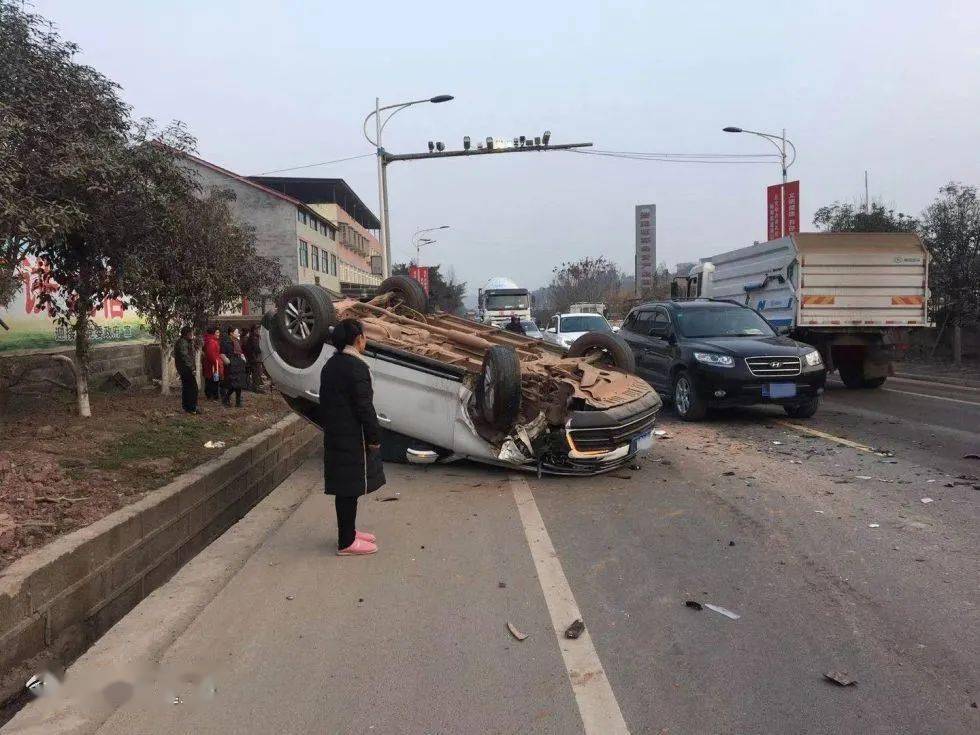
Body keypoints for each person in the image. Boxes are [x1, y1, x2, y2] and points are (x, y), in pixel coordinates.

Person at [320, 318, 384, 556]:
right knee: (349, 488)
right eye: (364, 336)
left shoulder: (331, 364)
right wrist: (373, 436)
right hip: (351, 436)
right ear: (358, 340)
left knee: (347, 488)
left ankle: (350, 532)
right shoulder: (356, 367)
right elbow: (364, 406)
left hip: (337, 433)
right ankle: (346, 542)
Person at [174, 326, 199, 414]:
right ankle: (192, 408)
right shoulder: (183, 342)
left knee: (187, 388)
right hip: (186, 369)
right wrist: (192, 368)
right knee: (193, 388)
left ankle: (187, 407)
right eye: (191, 333)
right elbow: (185, 356)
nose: (192, 335)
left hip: (184, 368)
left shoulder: (185, 341)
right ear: (187, 334)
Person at [220, 327, 247, 407]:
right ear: (231, 333)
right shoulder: (225, 342)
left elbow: (240, 351)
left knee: (239, 383)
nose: (238, 333)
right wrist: (226, 360)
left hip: (238, 363)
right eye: (236, 332)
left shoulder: (237, 341)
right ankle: (226, 398)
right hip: (231, 364)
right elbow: (222, 353)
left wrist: (243, 358)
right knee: (233, 384)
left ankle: (238, 401)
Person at [202, 326, 224, 401]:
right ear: (213, 333)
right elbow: (211, 354)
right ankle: (214, 395)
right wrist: (216, 362)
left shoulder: (210, 340)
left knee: (211, 379)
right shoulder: (212, 341)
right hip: (213, 365)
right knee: (214, 380)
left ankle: (211, 395)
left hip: (211, 364)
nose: (219, 334)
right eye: (217, 332)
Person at [243, 324, 264, 392]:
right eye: (257, 329)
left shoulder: (255, 337)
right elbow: (256, 348)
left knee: (257, 373)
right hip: (255, 359)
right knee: (256, 374)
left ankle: (256, 387)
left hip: (256, 359)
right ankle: (256, 388)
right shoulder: (253, 338)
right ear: (254, 330)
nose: (258, 330)